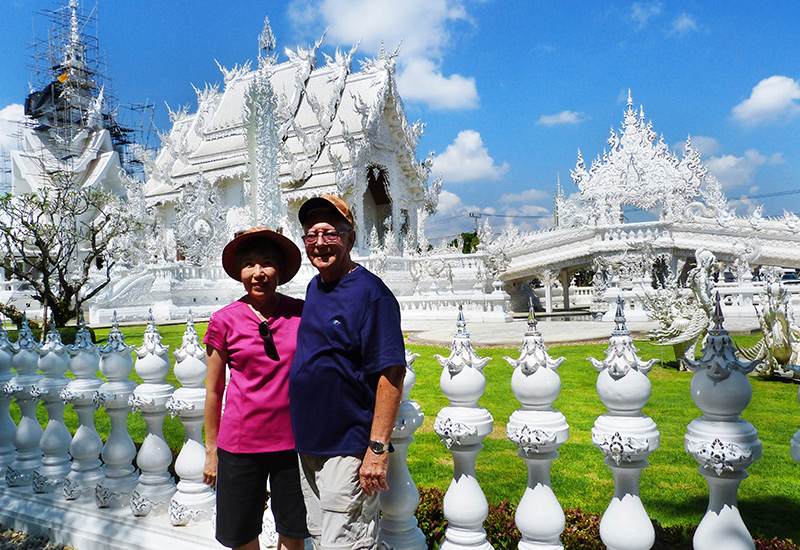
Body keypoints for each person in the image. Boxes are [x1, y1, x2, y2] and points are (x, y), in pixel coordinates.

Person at [289, 195, 406, 550]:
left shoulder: (372, 294)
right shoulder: (315, 287)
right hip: (309, 444)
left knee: (347, 544)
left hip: (348, 447)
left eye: (330, 233)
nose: (320, 243)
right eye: (311, 235)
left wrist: (377, 449)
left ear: (350, 238)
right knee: (322, 538)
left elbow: (391, 374)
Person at [203, 227, 310, 550]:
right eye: (249, 264)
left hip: (292, 444)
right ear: (240, 272)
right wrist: (211, 452)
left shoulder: (301, 313)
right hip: (239, 445)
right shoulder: (224, 320)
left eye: (266, 263)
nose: (258, 273)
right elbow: (213, 390)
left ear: (280, 270)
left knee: (293, 530)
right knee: (241, 533)